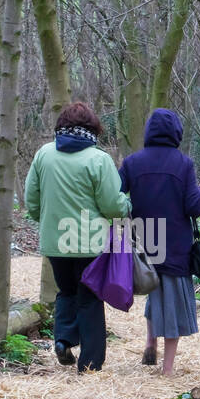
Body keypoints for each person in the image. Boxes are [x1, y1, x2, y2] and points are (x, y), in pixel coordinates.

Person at [24, 102, 130, 372]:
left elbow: (31, 201)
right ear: (93, 128)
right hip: (89, 243)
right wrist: (127, 206)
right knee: (90, 298)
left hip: (55, 242)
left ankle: (63, 340)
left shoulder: (43, 155)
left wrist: (47, 222)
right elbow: (112, 206)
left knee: (66, 292)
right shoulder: (99, 159)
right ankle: (90, 364)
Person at [118, 108, 200, 376]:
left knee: (153, 288)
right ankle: (168, 370)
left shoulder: (131, 163)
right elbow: (194, 206)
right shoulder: (183, 164)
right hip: (174, 246)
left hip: (143, 243)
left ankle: (150, 342)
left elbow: (114, 195)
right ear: (176, 133)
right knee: (171, 303)